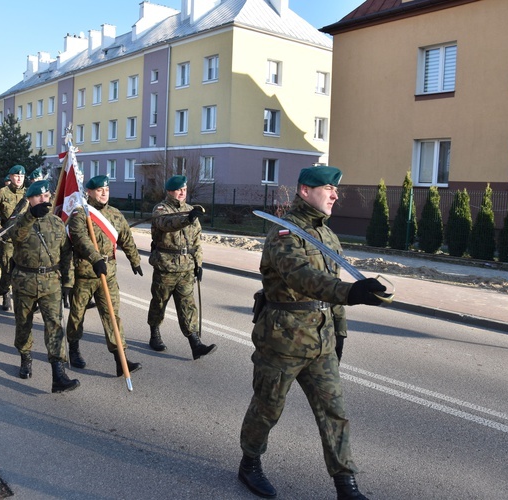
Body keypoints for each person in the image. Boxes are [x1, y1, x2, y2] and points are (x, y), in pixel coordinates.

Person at [237, 166, 386, 500]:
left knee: (335, 413)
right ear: (305, 191)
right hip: (283, 341)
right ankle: (249, 463)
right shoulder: (284, 234)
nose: (335, 195)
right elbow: (303, 278)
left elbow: (327, 289)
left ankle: (346, 484)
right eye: (329, 188)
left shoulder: (327, 235)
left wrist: (341, 332)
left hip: (322, 341)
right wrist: (352, 292)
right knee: (267, 408)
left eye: (336, 190)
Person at [65, 175, 143, 377]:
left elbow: (126, 238)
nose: (104, 193)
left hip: (107, 274)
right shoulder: (80, 214)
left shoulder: (115, 214)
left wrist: (135, 260)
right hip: (85, 273)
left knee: (112, 316)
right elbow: (81, 240)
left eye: (106, 189)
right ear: (89, 192)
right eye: (99, 190)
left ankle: (121, 360)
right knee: (77, 316)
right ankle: (73, 349)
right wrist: (95, 257)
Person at [8, 179, 79, 392]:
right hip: (24, 281)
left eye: (46, 196)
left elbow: (66, 253)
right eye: (38, 196)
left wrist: (68, 281)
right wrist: (31, 215)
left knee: (55, 326)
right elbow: (16, 236)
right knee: (23, 323)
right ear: (29, 199)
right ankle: (25, 356)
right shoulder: (19, 220)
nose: (43, 200)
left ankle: (58, 374)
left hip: (51, 282)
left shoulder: (57, 223)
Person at [146, 175, 217, 359]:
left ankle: (196, 344)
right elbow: (167, 224)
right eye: (179, 190)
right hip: (166, 266)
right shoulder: (161, 209)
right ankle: (154, 333)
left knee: (188, 306)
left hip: (186, 267)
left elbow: (196, 242)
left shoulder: (191, 210)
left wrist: (198, 264)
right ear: (170, 191)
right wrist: (188, 218)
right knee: (159, 302)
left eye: (184, 189)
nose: (182, 192)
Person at [0, 164, 28, 311]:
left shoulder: (29, 194)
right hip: (8, 238)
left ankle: (21, 297)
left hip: (25, 238)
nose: (19, 178)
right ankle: (5, 292)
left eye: (21, 176)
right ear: (10, 177)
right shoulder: (2, 193)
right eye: (16, 176)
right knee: (7, 268)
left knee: (25, 269)